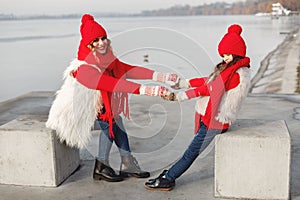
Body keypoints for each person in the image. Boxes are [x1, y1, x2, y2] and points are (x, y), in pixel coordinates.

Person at [46, 14, 180, 182]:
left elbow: (127, 69)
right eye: (96, 40)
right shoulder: (84, 69)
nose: (102, 43)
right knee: (108, 124)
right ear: (89, 44)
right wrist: (149, 90)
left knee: (115, 121)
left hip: (99, 106)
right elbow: (112, 84)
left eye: (104, 38)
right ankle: (101, 166)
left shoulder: (106, 58)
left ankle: (126, 163)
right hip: (77, 112)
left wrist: (160, 76)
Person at [144, 24, 251, 191]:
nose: (225, 58)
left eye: (228, 54)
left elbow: (208, 88)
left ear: (238, 53)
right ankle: (169, 175)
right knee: (191, 150)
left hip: (216, 121)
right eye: (223, 55)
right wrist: (182, 84)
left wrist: (178, 96)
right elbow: (207, 81)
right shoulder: (229, 69)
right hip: (210, 117)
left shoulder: (237, 74)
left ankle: (169, 178)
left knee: (191, 152)